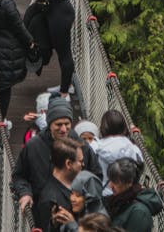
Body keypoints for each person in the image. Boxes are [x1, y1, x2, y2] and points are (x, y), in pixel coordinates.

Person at [12, 96, 102, 226]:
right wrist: (25, 193)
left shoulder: (82, 147)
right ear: (49, 124)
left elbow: (96, 175)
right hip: (42, 212)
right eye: (58, 124)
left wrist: (84, 199)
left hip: (76, 215)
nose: (64, 129)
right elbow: (19, 175)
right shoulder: (34, 147)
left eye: (67, 124)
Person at [36, 138, 84, 232]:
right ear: (69, 164)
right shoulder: (51, 200)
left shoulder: (77, 185)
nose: (83, 164)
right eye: (80, 161)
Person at [103, 159, 163, 232]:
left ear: (129, 182)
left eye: (115, 182)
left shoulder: (139, 213)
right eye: (110, 180)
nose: (110, 185)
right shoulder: (120, 200)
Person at [92, 111, 144, 189]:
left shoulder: (96, 147)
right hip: (128, 194)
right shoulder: (134, 149)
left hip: (102, 193)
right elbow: (140, 165)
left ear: (103, 127)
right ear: (124, 126)